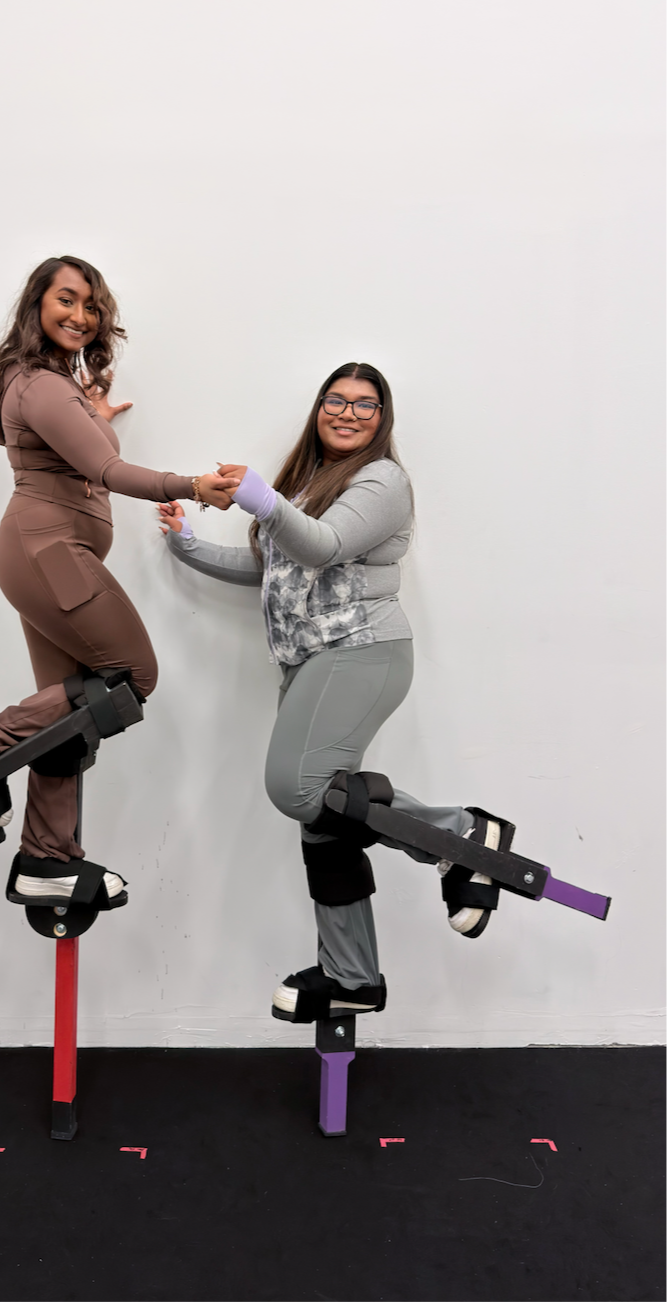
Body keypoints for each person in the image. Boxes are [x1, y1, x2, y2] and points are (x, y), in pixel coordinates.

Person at [158, 362, 513, 1023]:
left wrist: (262, 498)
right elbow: (272, 568)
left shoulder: (383, 481)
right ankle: (351, 974)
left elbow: (322, 548)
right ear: (319, 409)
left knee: (293, 786)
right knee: (323, 819)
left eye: (366, 405)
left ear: (384, 419)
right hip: (310, 663)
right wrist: (186, 545)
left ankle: (464, 835)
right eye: (336, 400)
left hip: (363, 652)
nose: (349, 413)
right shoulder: (309, 482)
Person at [0, 255, 238, 911]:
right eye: (66, 299)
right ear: (36, 302)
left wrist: (91, 411)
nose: (80, 315)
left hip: (44, 552)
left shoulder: (47, 385)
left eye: (92, 305)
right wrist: (194, 487)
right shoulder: (41, 385)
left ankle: (46, 856)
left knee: (67, 715)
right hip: (51, 553)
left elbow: (73, 450)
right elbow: (109, 471)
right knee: (133, 675)